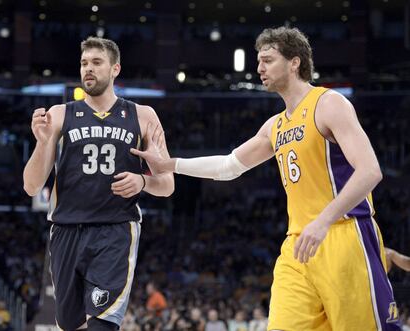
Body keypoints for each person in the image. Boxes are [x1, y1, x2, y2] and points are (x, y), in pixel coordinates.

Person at [131, 27, 401, 330]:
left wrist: (323, 221)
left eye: (268, 60)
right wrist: (169, 164)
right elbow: (228, 166)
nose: (259, 68)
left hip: (343, 234)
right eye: (259, 61)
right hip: (298, 245)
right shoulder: (275, 126)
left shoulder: (329, 103)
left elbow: (370, 171)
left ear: (295, 62)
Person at [23, 37, 174, 331]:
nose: (88, 69)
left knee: (102, 325)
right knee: (69, 324)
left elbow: (167, 184)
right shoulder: (59, 115)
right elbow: (31, 187)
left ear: (115, 68)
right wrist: (42, 145)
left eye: (96, 62)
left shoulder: (142, 116)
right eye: (83, 63)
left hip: (115, 231)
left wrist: (142, 181)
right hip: (66, 230)